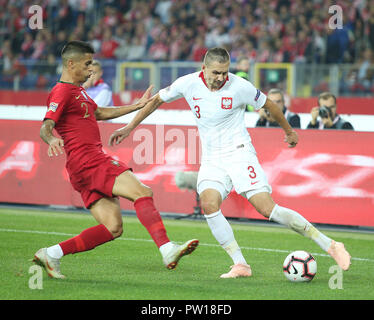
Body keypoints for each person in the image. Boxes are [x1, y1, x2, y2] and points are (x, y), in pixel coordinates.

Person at [108, 47, 351, 278]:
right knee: (209, 204)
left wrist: (288, 131)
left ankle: (330, 244)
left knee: (267, 208)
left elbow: (270, 105)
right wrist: (130, 126)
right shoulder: (187, 83)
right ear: (203, 68)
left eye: (225, 72)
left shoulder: (239, 86)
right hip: (213, 159)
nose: (221, 77)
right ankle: (240, 263)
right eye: (216, 72)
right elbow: (157, 100)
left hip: (239, 153)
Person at [32, 41, 199, 279]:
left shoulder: (78, 91)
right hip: (88, 159)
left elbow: (98, 112)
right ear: (71, 64)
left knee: (113, 228)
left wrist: (136, 106)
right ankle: (167, 249)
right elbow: (46, 126)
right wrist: (51, 140)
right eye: (87, 63)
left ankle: (52, 253)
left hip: (81, 167)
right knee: (142, 192)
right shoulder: (61, 91)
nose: (91, 69)